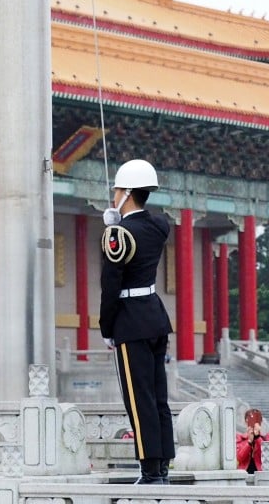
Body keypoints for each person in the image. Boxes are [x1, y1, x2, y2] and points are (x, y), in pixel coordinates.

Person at [98, 159, 174, 485]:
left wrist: (106, 327)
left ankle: (149, 470)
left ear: (127, 192)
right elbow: (149, 226)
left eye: (117, 190)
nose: (114, 195)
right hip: (155, 317)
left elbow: (111, 286)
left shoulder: (118, 234)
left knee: (137, 398)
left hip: (130, 322)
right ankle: (164, 464)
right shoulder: (158, 227)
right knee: (158, 397)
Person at [236, 408, 269, 473]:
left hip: (262, 474)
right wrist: (249, 442)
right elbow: (239, 457)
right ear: (246, 422)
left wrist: (257, 437)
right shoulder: (240, 438)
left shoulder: (267, 438)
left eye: (256, 420)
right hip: (244, 474)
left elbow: (268, 456)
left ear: (260, 422)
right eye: (250, 420)